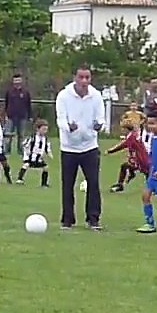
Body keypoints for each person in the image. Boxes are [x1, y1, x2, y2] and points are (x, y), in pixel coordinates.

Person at [56, 64, 108, 230]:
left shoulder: (96, 96)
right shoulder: (64, 96)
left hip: (89, 146)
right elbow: (60, 119)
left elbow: (101, 118)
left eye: (87, 77)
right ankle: (67, 220)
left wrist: (99, 126)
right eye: (81, 77)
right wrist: (68, 127)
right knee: (68, 184)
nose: (84, 81)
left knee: (93, 183)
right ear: (75, 78)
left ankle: (93, 219)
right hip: (69, 147)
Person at [105, 117, 150, 193]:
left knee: (147, 173)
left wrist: (110, 151)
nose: (121, 130)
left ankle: (121, 185)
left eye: (123, 128)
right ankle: (122, 183)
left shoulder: (131, 137)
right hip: (140, 158)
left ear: (126, 129)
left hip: (141, 159)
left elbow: (122, 145)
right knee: (126, 166)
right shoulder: (132, 135)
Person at [16, 119, 53, 187]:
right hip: (30, 157)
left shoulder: (45, 139)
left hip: (39, 158)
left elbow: (47, 147)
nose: (45, 131)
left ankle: (44, 183)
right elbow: (25, 144)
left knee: (45, 167)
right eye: (43, 129)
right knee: (26, 165)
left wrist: (49, 154)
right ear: (38, 129)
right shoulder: (32, 137)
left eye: (46, 130)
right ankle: (20, 179)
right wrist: (27, 152)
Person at [4, 73, 33, 154]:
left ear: (21, 81)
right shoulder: (9, 92)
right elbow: (6, 103)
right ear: (13, 81)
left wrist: (30, 116)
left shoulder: (25, 92)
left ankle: (21, 151)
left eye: (18, 80)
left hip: (22, 116)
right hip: (10, 116)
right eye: (15, 80)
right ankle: (6, 150)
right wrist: (5, 114)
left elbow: (28, 105)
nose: (17, 82)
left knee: (21, 135)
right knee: (8, 134)